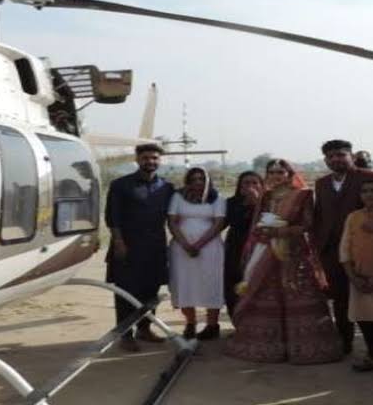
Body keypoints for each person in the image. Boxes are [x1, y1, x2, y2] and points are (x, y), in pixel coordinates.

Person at [225, 159, 342, 364]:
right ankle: (269, 348)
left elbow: (307, 225)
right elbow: (257, 223)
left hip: (294, 255)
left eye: (280, 171)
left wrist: (279, 231)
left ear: (289, 173)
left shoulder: (303, 195)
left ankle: (304, 348)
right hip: (267, 251)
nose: (276, 175)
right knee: (266, 295)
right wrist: (263, 232)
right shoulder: (267, 195)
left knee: (296, 295)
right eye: (271, 172)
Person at [312, 139, 373, 354]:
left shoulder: (369, 178)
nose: (336, 159)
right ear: (325, 160)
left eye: (341, 155)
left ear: (351, 156)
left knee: (368, 298)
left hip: (363, 248)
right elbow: (319, 216)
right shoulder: (322, 183)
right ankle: (345, 342)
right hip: (331, 251)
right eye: (331, 156)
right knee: (340, 299)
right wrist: (316, 245)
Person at [105, 143, 174, 352]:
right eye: (146, 158)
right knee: (126, 293)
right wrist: (119, 242)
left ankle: (145, 328)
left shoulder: (166, 187)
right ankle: (126, 335)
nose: (150, 161)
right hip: (127, 247)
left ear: (159, 161)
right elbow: (112, 217)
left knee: (150, 291)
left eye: (154, 158)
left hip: (155, 248)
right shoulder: (121, 185)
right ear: (137, 160)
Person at [339, 179, 373, 379]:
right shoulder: (353, 217)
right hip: (360, 280)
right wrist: (353, 277)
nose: (369, 195)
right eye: (364, 191)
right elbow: (345, 247)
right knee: (365, 320)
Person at [168, 167, 226, 340]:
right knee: (185, 285)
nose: (198, 182)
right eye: (194, 179)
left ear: (208, 180)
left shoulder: (217, 197)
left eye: (202, 179)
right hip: (181, 248)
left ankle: (212, 325)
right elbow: (172, 222)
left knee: (211, 284)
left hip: (210, 249)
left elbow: (219, 224)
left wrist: (199, 244)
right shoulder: (178, 197)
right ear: (188, 181)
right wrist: (185, 244)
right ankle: (190, 324)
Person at [223, 171, 264, 320]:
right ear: (240, 187)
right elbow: (221, 224)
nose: (250, 186)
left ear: (261, 185)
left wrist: (257, 203)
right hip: (235, 248)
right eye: (246, 183)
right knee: (233, 284)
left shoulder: (268, 203)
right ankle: (237, 322)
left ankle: (257, 323)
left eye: (255, 183)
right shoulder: (231, 203)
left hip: (259, 249)